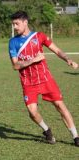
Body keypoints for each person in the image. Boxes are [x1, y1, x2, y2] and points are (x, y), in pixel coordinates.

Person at [8, 11, 79, 146]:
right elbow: (15, 65)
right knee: (33, 113)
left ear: (25, 22)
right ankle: (47, 130)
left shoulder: (39, 36)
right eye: (13, 24)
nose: (15, 27)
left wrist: (68, 60)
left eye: (17, 24)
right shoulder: (13, 42)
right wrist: (33, 60)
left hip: (45, 79)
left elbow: (57, 50)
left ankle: (76, 136)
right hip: (28, 82)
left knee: (60, 105)